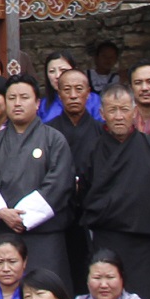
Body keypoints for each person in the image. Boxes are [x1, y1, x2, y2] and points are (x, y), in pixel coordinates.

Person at [84, 84, 150, 299]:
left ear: (134, 112)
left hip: (148, 244)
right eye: (112, 110)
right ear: (102, 113)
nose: (118, 116)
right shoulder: (93, 151)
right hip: (109, 240)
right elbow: (83, 195)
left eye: (124, 109)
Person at [0, 74, 75, 290]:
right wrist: (2, 211)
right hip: (7, 233)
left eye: (24, 97)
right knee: (11, 293)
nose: (17, 103)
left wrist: (22, 216)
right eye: (11, 98)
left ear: (37, 103)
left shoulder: (53, 139)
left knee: (47, 293)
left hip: (45, 234)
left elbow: (59, 182)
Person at [45, 67, 106, 278]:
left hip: (91, 208)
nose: (72, 95)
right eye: (67, 90)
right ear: (59, 93)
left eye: (78, 89)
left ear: (88, 93)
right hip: (59, 207)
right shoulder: (48, 131)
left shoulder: (101, 131)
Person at [39, 52, 102, 123]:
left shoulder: (94, 100)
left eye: (63, 70)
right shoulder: (42, 105)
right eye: (52, 71)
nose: (57, 76)